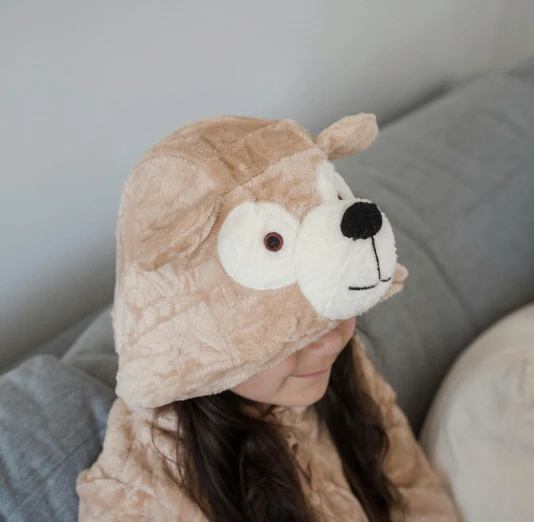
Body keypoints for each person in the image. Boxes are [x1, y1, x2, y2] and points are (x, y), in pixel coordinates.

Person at [76, 114, 458, 521]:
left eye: (331, 318)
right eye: (292, 335)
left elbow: (413, 490)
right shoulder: (142, 494)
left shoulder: (343, 368)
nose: (332, 342)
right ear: (195, 334)